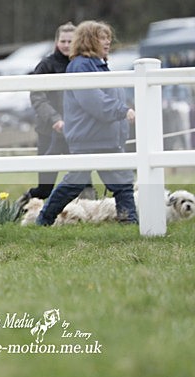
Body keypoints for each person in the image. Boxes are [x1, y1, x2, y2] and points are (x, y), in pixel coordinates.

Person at [35, 20, 137, 226]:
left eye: (108, 37)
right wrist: (122, 111)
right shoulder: (81, 65)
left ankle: (129, 223)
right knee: (79, 182)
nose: (108, 42)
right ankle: (44, 219)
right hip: (91, 138)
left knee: (119, 182)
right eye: (102, 37)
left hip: (103, 139)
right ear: (89, 40)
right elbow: (94, 101)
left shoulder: (98, 65)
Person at [16, 22, 93, 211]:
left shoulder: (82, 65)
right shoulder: (46, 65)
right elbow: (37, 96)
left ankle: (89, 212)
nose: (67, 44)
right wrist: (55, 119)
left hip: (77, 132)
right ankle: (20, 209)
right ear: (56, 42)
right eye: (63, 40)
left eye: (71, 40)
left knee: (84, 179)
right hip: (49, 132)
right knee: (45, 186)